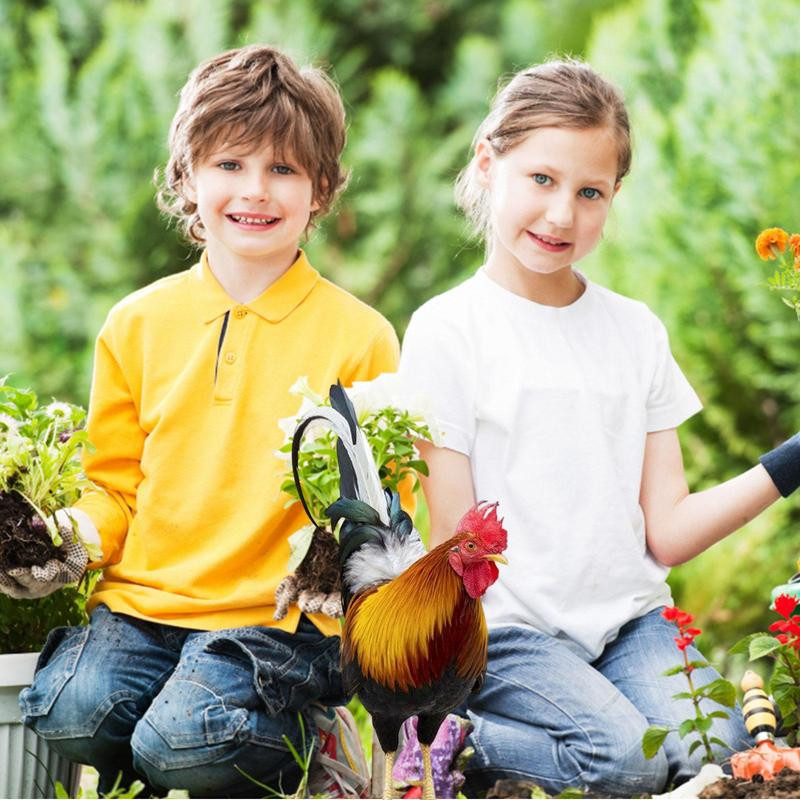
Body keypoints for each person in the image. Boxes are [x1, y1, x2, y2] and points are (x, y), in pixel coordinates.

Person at [398, 58, 795, 797]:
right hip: (506, 636)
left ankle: (551, 739)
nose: (561, 215)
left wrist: (791, 460)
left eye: (590, 192)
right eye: (541, 179)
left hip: (630, 626)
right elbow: (455, 543)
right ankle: (443, 739)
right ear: (487, 163)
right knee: (624, 761)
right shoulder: (448, 331)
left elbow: (668, 533)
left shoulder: (635, 331)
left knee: (721, 752)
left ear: (613, 196)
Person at [7, 44, 395, 798]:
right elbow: (112, 487)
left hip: (277, 625)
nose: (255, 190)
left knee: (180, 743)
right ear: (187, 176)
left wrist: (341, 563)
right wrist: (66, 541)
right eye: (230, 164)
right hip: (143, 608)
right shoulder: (136, 323)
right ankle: (185, 737)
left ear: (321, 188)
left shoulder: (360, 336)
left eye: (283, 169)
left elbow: (381, 503)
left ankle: (305, 738)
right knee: (67, 711)